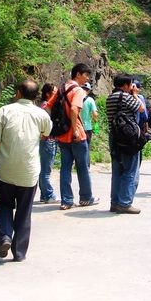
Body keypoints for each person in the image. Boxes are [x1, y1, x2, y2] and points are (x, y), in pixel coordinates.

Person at [0, 80, 52, 263]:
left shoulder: (5, 111)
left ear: (18, 92)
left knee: (4, 204)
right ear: (36, 96)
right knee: (24, 211)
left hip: (5, 170)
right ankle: (19, 252)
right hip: (29, 171)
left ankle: (4, 237)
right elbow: (46, 133)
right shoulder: (41, 114)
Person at [46, 63, 98, 210]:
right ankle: (86, 198)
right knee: (82, 167)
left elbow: (48, 106)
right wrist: (74, 128)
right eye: (86, 75)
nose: (87, 78)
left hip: (62, 135)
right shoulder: (78, 90)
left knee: (65, 168)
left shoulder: (61, 88)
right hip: (77, 135)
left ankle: (66, 201)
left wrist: (57, 123)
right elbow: (75, 109)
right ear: (78, 75)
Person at [105, 75, 146, 213]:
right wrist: (134, 94)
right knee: (130, 169)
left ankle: (115, 202)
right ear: (125, 86)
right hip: (128, 137)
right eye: (130, 85)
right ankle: (125, 203)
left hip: (114, 137)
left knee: (117, 170)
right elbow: (141, 109)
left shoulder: (109, 98)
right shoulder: (128, 97)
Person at [38, 83, 58, 204]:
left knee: (44, 168)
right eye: (54, 92)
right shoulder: (46, 106)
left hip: (46, 140)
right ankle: (49, 195)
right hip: (48, 140)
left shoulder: (42, 106)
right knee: (46, 169)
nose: (56, 94)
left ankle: (44, 194)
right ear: (48, 94)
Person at [80, 82, 99, 153]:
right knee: (86, 148)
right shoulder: (90, 100)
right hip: (87, 127)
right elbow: (95, 114)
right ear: (89, 90)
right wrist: (96, 125)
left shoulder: (76, 98)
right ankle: (86, 164)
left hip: (77, 127)